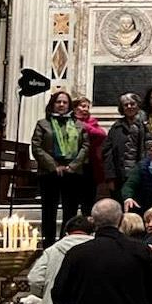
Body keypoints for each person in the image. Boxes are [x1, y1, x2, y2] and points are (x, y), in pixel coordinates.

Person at [31, 90, 90, 244]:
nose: (62, 105)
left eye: (65, 102)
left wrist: (73, 166)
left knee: (70, 210)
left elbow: (85, 146)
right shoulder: (43, 124)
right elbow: (37, 147)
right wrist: (53, 166)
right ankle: (48, 244)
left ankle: (66, 241)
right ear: (52, 104)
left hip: (73, 173)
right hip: (49, 173)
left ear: (69, 105)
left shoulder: (79, 125)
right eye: (58, 102)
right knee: (49, 210)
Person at [103, 92, 146, 197]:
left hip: (142, 175)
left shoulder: (146, 125)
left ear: (138, 105)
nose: (129, 107)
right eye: (125, 105)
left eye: (132, 104)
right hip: (120, 176)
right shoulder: (116, 127)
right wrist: (110, 177)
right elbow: (108, 153)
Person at [72, 97, 107, 222]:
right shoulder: (69, 123)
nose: (85, 109)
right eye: (82, 106)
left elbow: (101, 134)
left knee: (89, 199)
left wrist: (83, 125)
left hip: (90, 165)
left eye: (87, 106)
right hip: (73, 166)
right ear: (74, 108)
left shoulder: (91, 122)